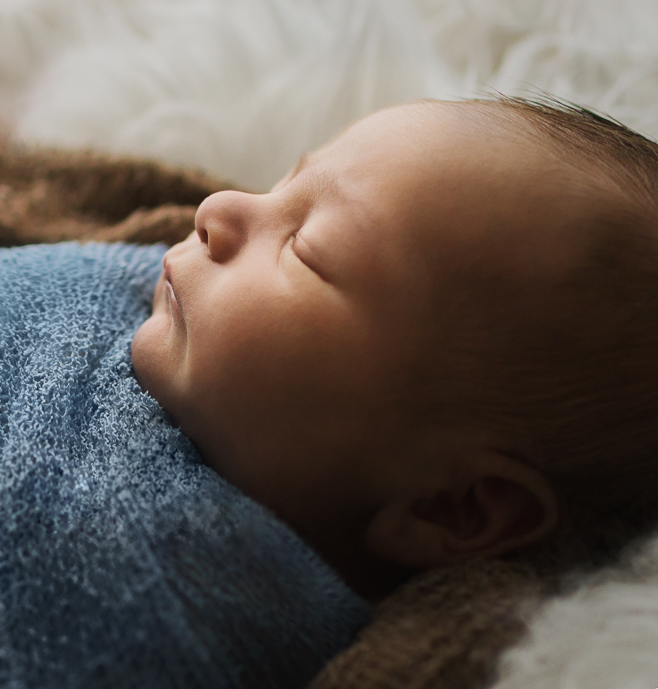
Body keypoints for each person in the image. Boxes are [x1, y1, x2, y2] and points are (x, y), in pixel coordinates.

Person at [132, 96, 658, 599]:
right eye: (281, 184)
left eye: (306, 250)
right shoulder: (132, 240)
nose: (216, 208)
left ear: (452, 509)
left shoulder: (216, 617)